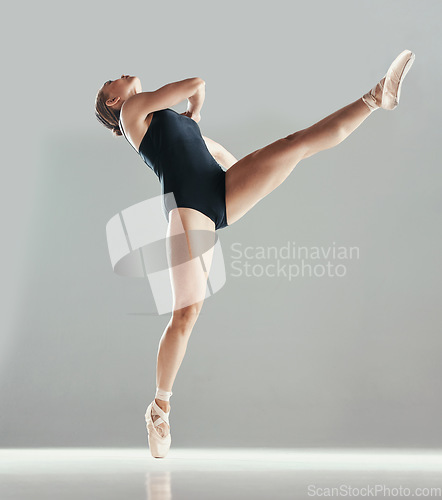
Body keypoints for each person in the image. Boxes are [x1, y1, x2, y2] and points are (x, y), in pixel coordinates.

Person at [94, 49, 415, 458]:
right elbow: (195, 83)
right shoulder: (132, 113)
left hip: (219, 190)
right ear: (114, 101)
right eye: (112, 81)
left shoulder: (168, 122)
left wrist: (254, 168)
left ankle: (376, 96)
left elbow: (219, 157)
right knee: (186, 314)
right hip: (189, 206)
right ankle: (159, 408)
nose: (121, 74)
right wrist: (194, 109)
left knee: (294, 145)